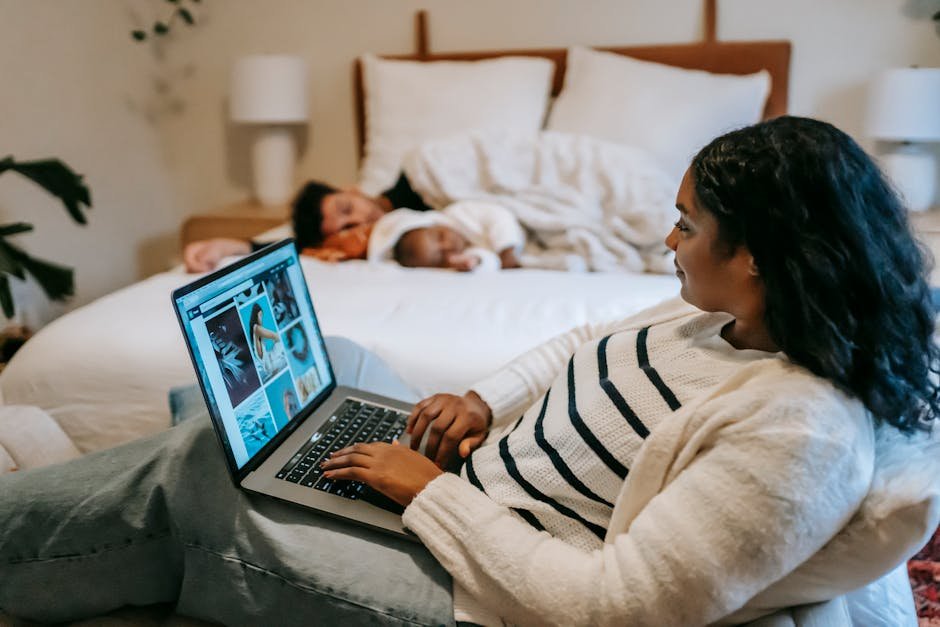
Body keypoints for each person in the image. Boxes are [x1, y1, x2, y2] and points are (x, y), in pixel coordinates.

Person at [2, 117, 938, 626]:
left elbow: (613, 609)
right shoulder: (733, 316)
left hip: (477, 582)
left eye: (688, 225)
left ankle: (77, 507)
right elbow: (584, 344)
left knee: (203, 463)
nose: (668, 238)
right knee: (323, 369)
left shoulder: (796, 433)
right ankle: (123, 491)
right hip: (477, 483)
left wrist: (426, 496)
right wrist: (480, 399)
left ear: (763, 258)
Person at [183, 174, 434, 273]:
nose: (358, 220)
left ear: (352, 190)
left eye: (346, 208)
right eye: (346, 229)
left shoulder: (417, 184)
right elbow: (298, 248)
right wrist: (230, 246)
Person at [368, 202, 524, 271]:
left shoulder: (461, 213)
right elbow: (490, 261)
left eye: (440, 237)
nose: (448, 247)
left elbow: (499, 217)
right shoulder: (461, 256)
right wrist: (474, 262)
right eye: (441, 257)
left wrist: (506, 250)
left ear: (435, 223)